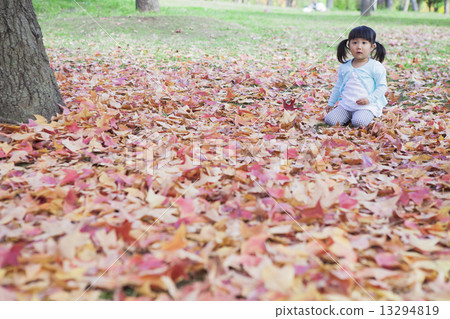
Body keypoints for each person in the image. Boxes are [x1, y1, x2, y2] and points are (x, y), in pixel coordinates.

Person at [324, 26, 387, 128]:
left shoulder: (375, 66)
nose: (359, 47)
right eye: (355, 43)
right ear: (349, 45)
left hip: (366, 106)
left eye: (364, 43)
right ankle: (348, 115)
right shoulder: (345, 66)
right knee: (330, 120)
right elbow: (338, 86)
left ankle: (364, 116)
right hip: (346, 105)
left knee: (358, 122)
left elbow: (382, 87)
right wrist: (331, 103)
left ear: (372, 46)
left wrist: (369, 99)